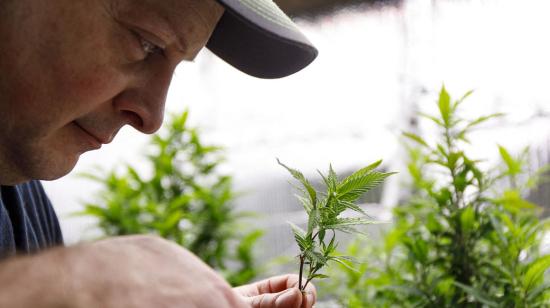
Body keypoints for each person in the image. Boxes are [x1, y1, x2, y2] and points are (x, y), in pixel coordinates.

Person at [0, 0, 318, 306]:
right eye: (148, 43)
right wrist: (63, 286)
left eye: (176, 67)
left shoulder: (23, 197)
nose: (152, 118)